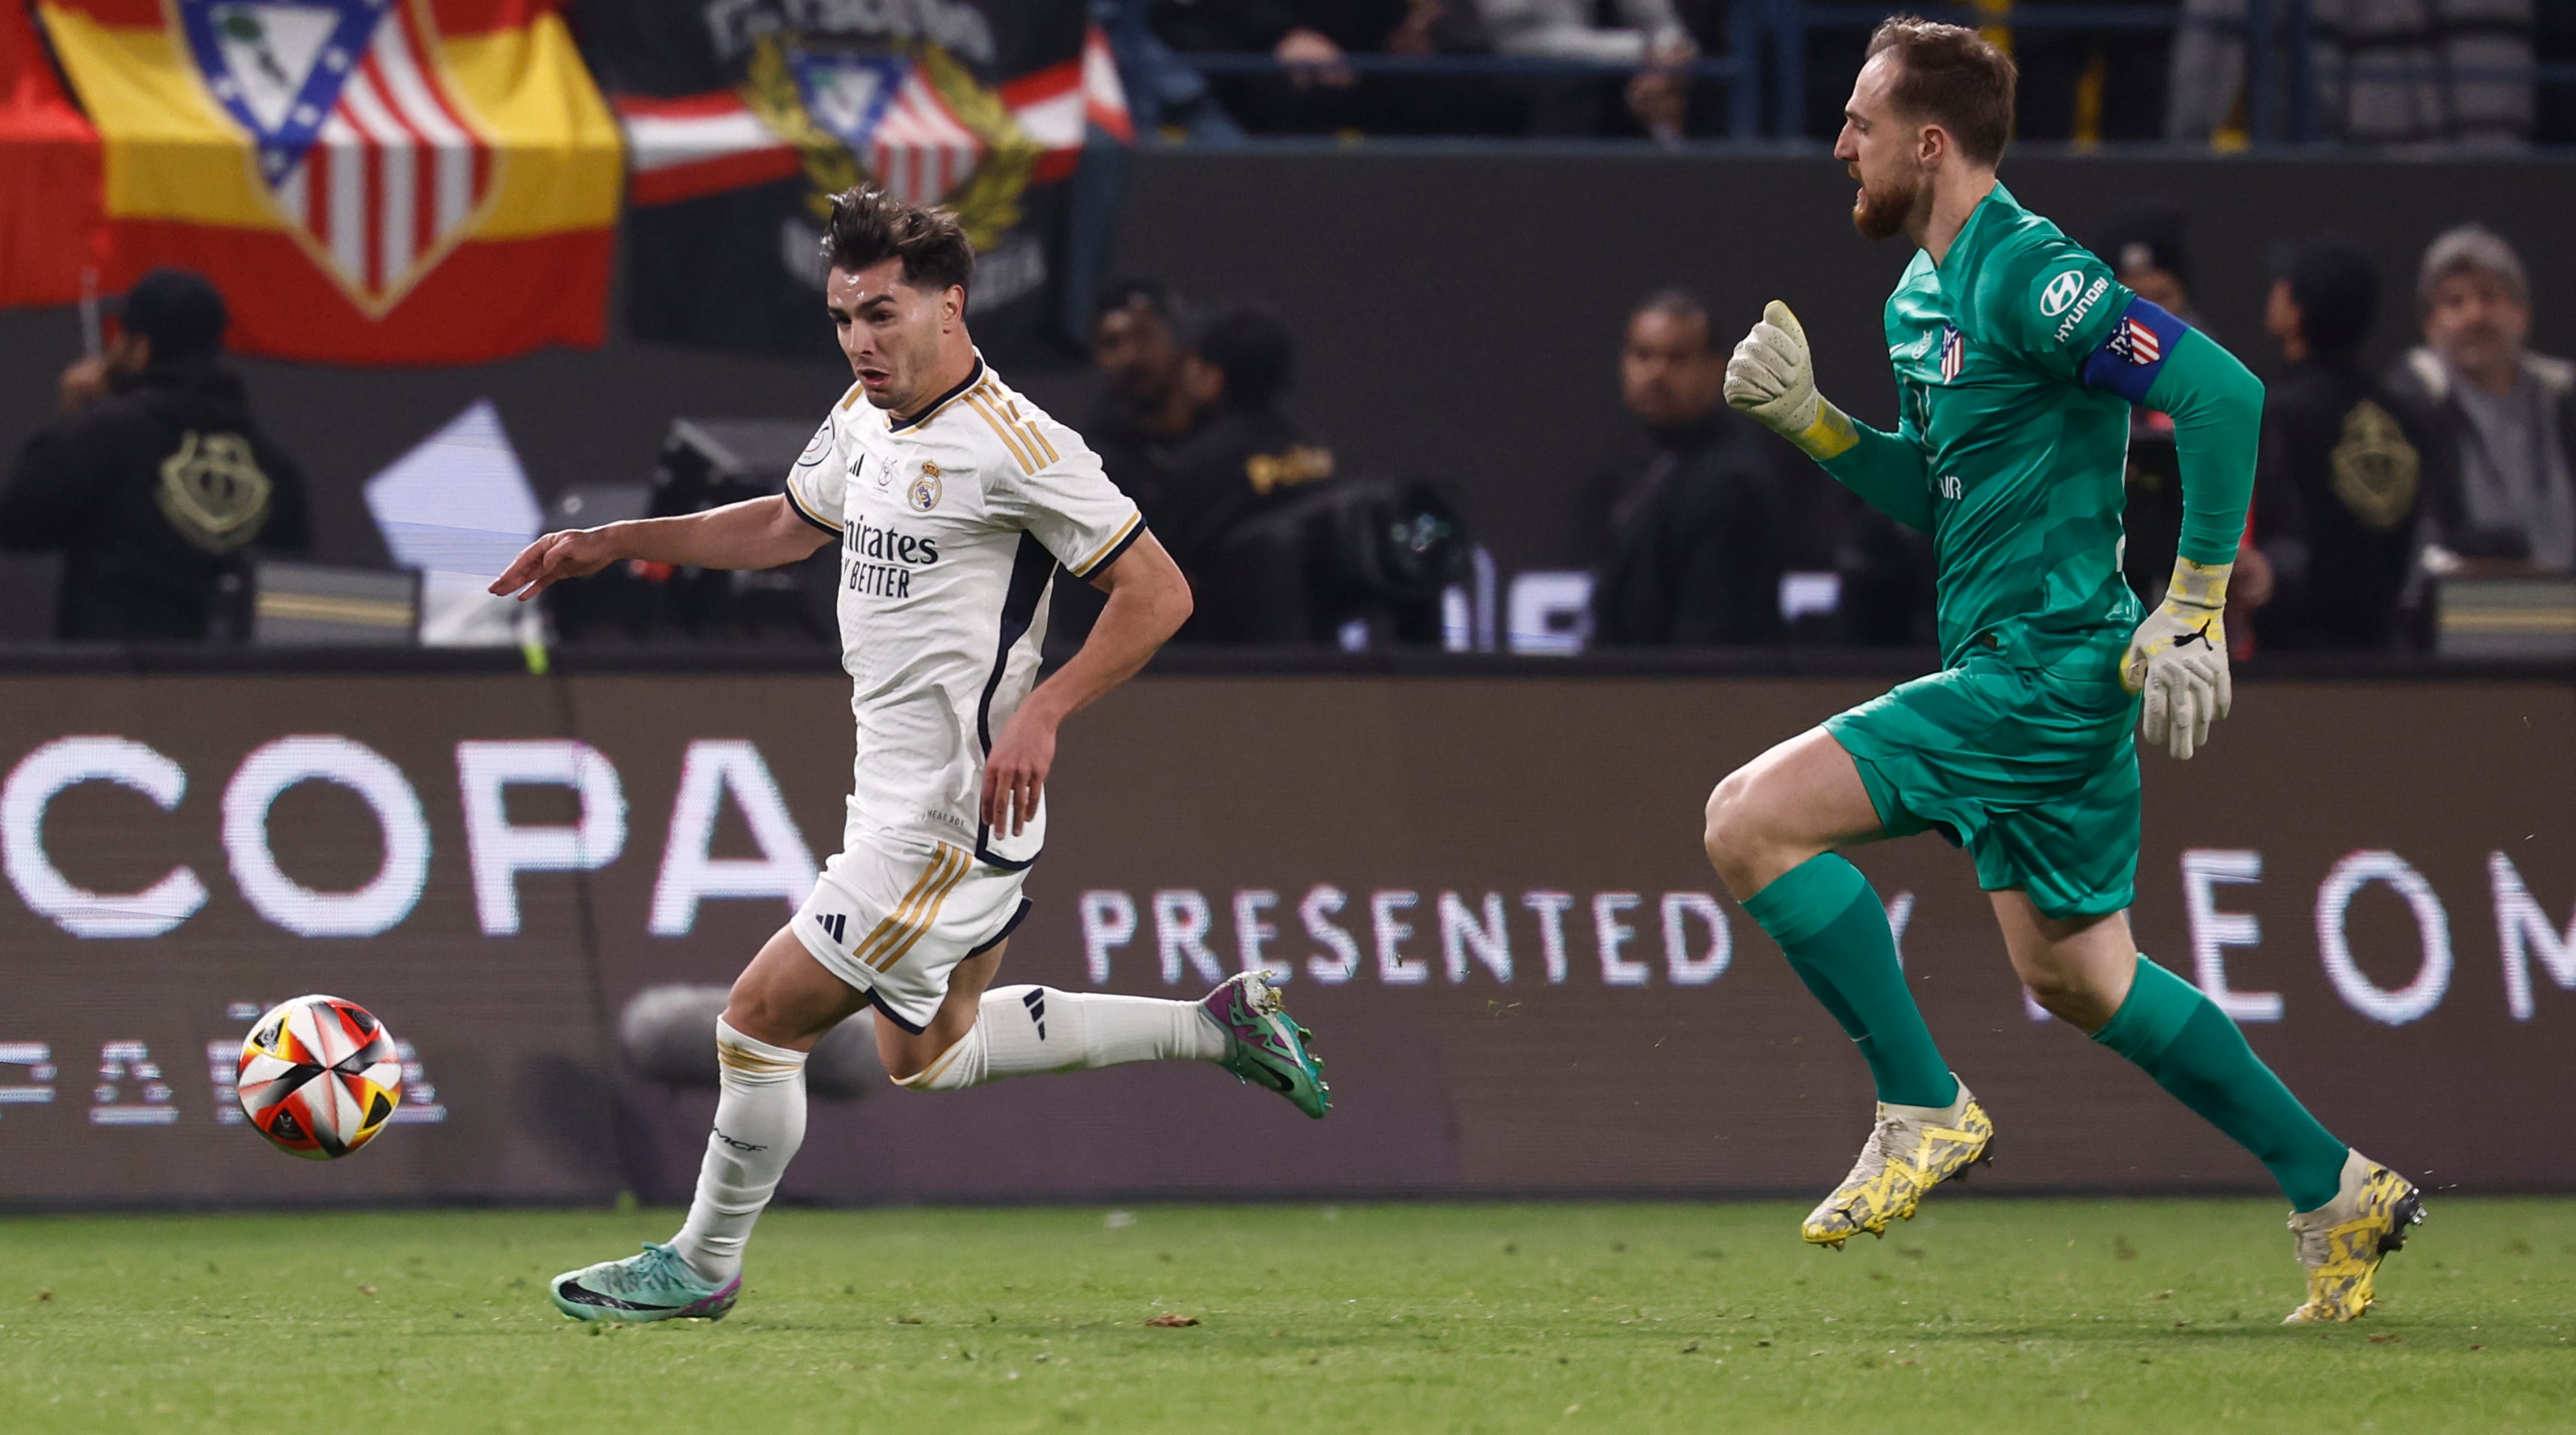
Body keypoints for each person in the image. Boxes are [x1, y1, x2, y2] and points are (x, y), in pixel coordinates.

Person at [495, 188, 1331, 1325]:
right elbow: (789, 522)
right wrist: (615, 542)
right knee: (927, 1055)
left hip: (947, 814)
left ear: (952, 303)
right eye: (843, 318)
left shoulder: (1022, 445)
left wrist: (1048, 713)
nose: (860, 342)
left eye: (882, 316)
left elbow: (1159, 592)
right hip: (902, 801)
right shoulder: (863, 417)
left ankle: (700, 1264)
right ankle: (1215, 1025)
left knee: (755, 1023)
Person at [1709, 17, 2420, 1325]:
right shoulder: (1920, 294)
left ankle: (1920, 1104)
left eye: (1858, 123)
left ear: (1928, 143)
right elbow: (1939, 492)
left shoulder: (2030, 276)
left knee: (1746, 819)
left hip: (2040, 670)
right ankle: (2336, 1186)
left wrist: (2194, 602)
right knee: (2079, 979)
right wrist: (1814, 424)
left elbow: (2221, 393)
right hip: (2034, 676)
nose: (1838, 146)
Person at [0, 268, 309, 639]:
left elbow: (19, 522)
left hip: (117, 687)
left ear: (141, 349)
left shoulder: (101, 437)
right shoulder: (277, 470)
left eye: (120, 338)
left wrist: (78, 422)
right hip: (231, 691)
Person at [2253, 235, 2427, 651]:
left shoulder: (2277, 416)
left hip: (2291, 664)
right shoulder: (2406, 418)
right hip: (2387, 658)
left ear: (2294, 312)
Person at [1587, 290, 1784, 646]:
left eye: (1677, 359)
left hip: (1693, 694)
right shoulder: (1637, 462)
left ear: (1717, 367)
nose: (1656, 373)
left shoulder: (1732, 482)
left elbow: (1712, 640)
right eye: (1642, 355)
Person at [2384, 224, 2576, 576]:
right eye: (2454, 302)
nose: (2475, 316)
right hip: (2465, 608)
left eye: (2489, 297)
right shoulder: (2415, 403)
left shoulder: (2562, 398)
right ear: (2430, 325)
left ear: (2522, 314)